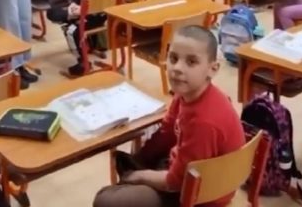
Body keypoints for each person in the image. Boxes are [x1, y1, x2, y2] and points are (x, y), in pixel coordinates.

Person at [93, 25, 245, 207]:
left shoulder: (203, 122)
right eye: (173, 58)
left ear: (212, 69)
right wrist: (139, 160)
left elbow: (176, 182)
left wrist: (139, 176)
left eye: (191, 62)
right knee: (127, 164)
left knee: (105, 200)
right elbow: (166, 132)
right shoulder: (186, 94)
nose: (177, 68)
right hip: (185, 172)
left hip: (201, 196)